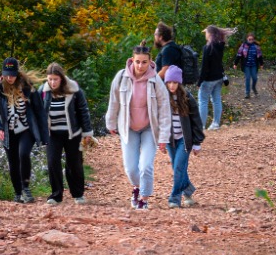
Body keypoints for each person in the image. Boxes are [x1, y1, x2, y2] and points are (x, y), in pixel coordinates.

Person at [106, 41, 171, 211]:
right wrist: (111, 122)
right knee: (131, 168)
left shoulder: (155, 81)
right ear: (131, 60)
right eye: (137, 62)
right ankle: (137, 187)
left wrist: (164, 137)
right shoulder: (121, 77)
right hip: (129, 127)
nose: (140, 66)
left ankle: (144, 198)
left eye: (144, 62)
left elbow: (164, 109)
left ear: (150, 62)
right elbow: (114, 102)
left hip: (149, 128)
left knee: (146, 166)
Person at [0, 57, 48, 203]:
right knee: (13, 162)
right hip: (9, 131)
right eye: (7, 74)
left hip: (26, 128)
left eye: (12, 74)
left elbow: (40, 111)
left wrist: (45, 136)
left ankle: (26, 188)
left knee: (23, 154)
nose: (9, 78)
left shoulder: (28, 87)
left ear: (17, 73)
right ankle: (17, 193)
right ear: (3, 73)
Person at [41, 62, 94, 206]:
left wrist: (87, 132)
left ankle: (78, 194)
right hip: (53, 134)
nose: (52, 82)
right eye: (50, 79)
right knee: (53, 162)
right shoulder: (43, 91)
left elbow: (83, 110)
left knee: (74, 164)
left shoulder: (74, 90)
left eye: (55, 79)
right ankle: (56, 195)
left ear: (62, 78)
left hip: (73, 133)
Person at [163, 65, 205, 208]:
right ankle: (188, 191)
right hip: (170, 140)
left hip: (184, 140)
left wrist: (197, 142)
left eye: (174, 82)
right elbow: (159, 120)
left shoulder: (187, 98)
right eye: (169, 82)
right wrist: (160, 140)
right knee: (177, 168)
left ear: (179, 83)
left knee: (179, 167)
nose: (172, 85)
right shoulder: (163, 97)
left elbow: (196, 121)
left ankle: (175, 198)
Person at [198, 24, 235, 130]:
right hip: (218, 77)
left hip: (208, 79)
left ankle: (201, 126)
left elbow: (204, 66)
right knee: (216, 100)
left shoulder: (207, 48)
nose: (205, 34)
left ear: (209, 34)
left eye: (206, 32)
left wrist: (199, 82)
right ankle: (215, 124)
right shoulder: (220, 46)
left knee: (203, 101)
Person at [234, 33, 264, 99]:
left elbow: (260, 56)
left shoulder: (256, 46)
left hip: (254, 65)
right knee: (247, 78)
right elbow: (239, 55)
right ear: (247, 39)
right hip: (246, 65)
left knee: (255, 78)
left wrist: (261, 64)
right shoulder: (243, 45)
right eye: (249, 39)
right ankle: (247, 93)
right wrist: (235, 64)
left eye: (252, 39)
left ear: (253, 39)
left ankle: (253, 87)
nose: (251, 40)